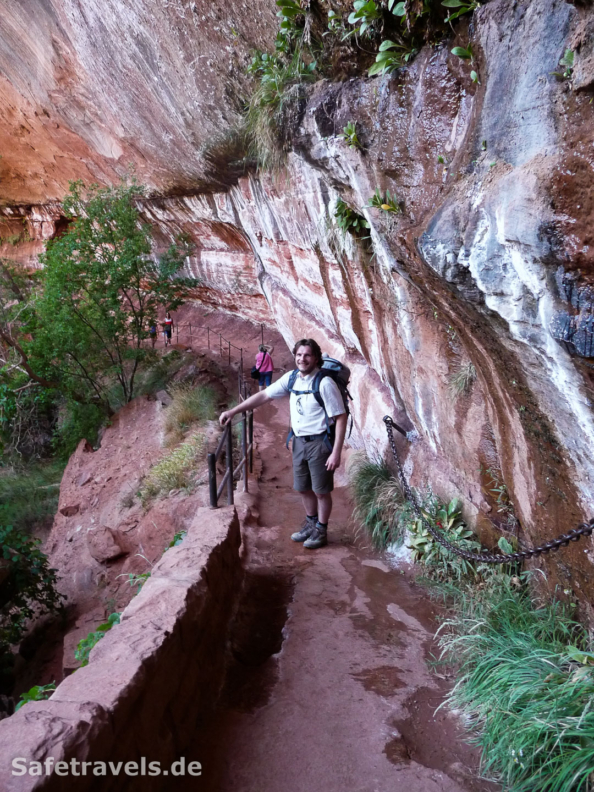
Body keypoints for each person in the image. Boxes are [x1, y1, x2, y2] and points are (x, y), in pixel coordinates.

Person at [219, 338, 347, 550]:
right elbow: (264, 395)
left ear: (316, 358)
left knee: (321, 491)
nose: (302, 359)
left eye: (307, 355)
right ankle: (311, 523)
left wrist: (336, 452)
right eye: (299, 355)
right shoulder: (292, 378)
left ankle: (321, 530)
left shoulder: (325, 383)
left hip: (320, 443)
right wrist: (234, 411)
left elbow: (341, 417)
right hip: (299, 442)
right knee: (303, 488)